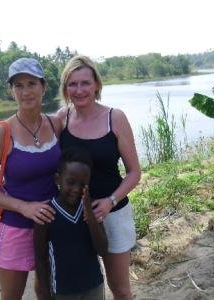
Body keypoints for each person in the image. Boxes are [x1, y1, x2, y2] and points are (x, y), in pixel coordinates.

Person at [0, 57, 62, 300]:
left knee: (47, 291)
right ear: (11, 91)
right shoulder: (1, 131)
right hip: (15, 226)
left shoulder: (56, 124)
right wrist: (24, 207)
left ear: (44, 87)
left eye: (32, 83)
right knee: (12, 296)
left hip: (54, 223)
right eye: (18, 85)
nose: (26, 91)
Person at [57, 55, 141, 300]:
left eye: (85, 83)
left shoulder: (115, 118)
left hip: (112, 214)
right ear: (65, 88)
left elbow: (134, 172)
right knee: (85, 287)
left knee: (120, 289)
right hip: (73, 216)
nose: (79, 90)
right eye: (73, 84)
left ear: (97, 85)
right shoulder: (62, 118)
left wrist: (110, 201)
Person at [34, 147, 108, 300]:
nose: (76, 189)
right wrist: (45, 294)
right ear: (57, 179)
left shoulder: (92, 208)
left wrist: (90, 217)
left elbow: (102, 249)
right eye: (71, 182)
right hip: (63, 290)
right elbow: (40, 258)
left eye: (83, 184)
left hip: (94, 285)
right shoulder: (46, 213)